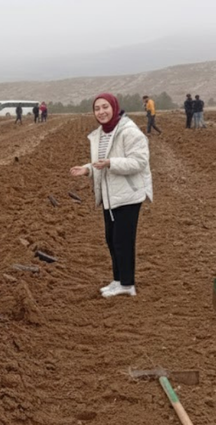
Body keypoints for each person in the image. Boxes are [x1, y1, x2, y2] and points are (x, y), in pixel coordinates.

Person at [70, 94, 152, 298]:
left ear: (114, 107)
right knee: (111, 240)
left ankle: (127, 284)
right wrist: (88, 169)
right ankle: (118, 281)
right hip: (110, 194)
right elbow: (101, 162)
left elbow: (139, 162)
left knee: (123, 241)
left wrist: (110, 163)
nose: (101, 112)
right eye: (97, 108)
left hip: (127, 194)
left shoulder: (129, 132)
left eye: (105, 107)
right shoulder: (100, 134)